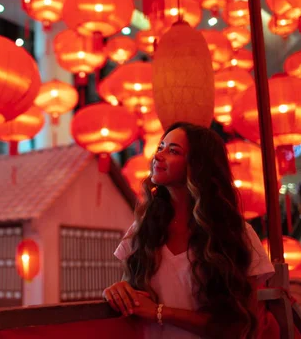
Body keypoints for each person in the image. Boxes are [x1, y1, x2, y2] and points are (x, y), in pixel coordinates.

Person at [103, 122, 274, 339]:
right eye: (160, 147)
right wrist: (118, 291)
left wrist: (160, 312)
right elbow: (134, 297)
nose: (159, 156)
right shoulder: (143, 229)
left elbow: (240, 326)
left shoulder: (236, 234)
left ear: (198, 165)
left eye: (173, 151)